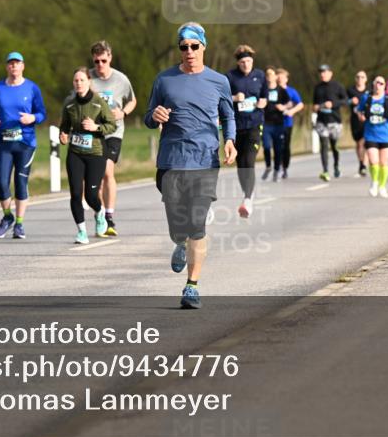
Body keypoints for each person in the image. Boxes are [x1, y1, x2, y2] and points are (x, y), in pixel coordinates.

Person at [144, 22, 237, 310]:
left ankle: (192, 286)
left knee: (197, 222)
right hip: (171, 159)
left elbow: (228, 115)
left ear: (203, 47)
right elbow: (148, 116)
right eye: (183, 47)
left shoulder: (219, 80)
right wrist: (155, 115)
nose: (189, 51)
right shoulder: (164, 80)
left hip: (205, 160)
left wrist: (230, 140)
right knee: (178, 224)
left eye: (194, 46)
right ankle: (179, 242)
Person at [0, 51, 47, 239]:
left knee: (20, 183)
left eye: (17, 63)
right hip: (4, 143)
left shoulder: (32, 88)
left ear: (23, 66)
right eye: (11, 63)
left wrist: (32, 118)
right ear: (7, 67)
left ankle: (19, 225)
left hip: (25, 143)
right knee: (2, 184)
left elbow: (42, 113)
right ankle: (7, 217)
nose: (14, 66)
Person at [60, 67, 118, 244]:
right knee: (76, 194)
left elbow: (112, 125)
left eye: (82, 80)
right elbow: (64, 125)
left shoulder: (99, 102)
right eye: (76, 80)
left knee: (91, 196)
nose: (79, 83)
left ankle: (100, 212)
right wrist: (62, 135)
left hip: (96, 153)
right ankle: (81, 231)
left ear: (89, 82)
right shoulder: (69, 104)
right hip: (75, 153)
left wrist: (96, 128)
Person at [88, 41, 137, 236]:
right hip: (93, 132)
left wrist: (123, 112)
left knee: (107, 171)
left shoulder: (121, 79)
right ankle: (100, 214)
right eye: (97, 61)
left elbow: (132, 100)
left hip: (114, 132)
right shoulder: (88, 78)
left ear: (110, 58)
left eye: (104, 60)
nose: (100, 65)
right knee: (97, 178)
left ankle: (109, 217)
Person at [226, 45, 267, 218]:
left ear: (253, 61)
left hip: (254, 124)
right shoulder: (230, 77)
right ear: (238, 62)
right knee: (241, 164)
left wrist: (263, 102)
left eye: (249, 61)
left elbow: (265, 96)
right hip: (236, 126)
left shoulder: (260, 75)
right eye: (242, 62)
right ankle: (247, 193)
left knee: (249, 161)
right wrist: (235, 98)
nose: (246, 65)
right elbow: (222, 98)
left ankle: (248, 199)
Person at [356, 76, 388, 197]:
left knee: (383, 162)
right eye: (376, 83)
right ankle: (374, 182)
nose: (378, 85)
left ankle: (382, 186)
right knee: (373, 161)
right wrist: (360, 116)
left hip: (386, 134)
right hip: (370, 133)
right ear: (373, 84)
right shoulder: (366, 98)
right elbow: (359, 110)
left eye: (381, 83)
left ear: (385, 85)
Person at [313, 64, 348, 181]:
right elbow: (314, 104)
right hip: (321, 121)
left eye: (325, 72)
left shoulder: (337, 86)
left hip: (335, 121)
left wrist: (333, 104)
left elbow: (345, 101)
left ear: (330, 73)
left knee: (334, 146)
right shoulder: (317, 88)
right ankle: (325, 170)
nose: (322, 74)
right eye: (321, 72)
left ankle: (336, 166)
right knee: (324, 145)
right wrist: (316, 107)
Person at [260, 66, 289, 182]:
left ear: (276, 77)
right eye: (268, 75)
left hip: (278, 123)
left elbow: (289, 103)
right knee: (266, 146)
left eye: (272, 75)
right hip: (266, 123)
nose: (270, 77)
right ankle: (268, 166)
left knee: (278, 149)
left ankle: (277, 170)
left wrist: (284, 107)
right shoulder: (263, 89)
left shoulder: (281, 90)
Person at [277, 68, 304, 179]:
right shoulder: (271, 90)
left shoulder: (291, 91)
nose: (279, 79)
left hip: (286, 123)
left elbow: (300, 104)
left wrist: (292, 111)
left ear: (286, 79)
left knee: (285, 146)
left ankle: (285, 168)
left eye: (282, 77)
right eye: (278, 76)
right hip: (273, 123)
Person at [347, 70, 370, 177]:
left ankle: (364, 165)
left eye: (362, 77)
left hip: (367, 121)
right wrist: (351, 101)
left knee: (364, 142)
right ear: (355, 79)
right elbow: (343, 100)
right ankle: (361, 163)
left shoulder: (369, 91)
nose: (360, 79)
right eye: (358, 77)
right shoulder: (350, 90)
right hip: (355, 121)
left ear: (366, 79)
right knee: (358, 144)